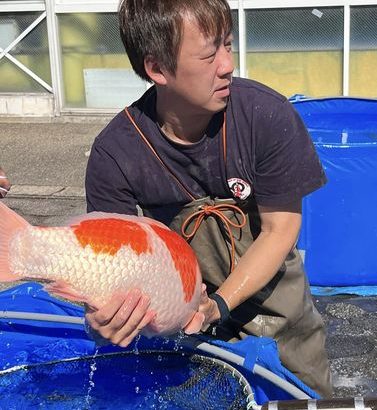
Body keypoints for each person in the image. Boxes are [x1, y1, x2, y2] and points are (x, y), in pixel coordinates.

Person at [84, 0, 332, 397]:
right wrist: (102, 317)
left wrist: (217, 305)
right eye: (209, 53)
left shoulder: (265, 116)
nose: (227, 65)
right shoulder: (117, 153)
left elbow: (280, 229)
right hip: (179, 323)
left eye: (228, 45)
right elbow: (112, 268)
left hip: (277, 314)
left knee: (304, 397)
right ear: (157, 69)